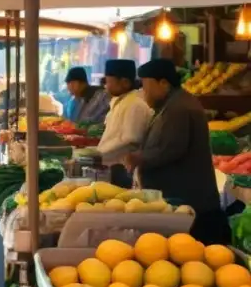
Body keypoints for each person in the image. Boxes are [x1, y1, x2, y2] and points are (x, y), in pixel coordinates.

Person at [125, 58, 230, 245]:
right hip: (181, 203)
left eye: (146, 86)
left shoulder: (180, 108)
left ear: (163, 83)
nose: (143, 92)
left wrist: (138, 158)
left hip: (190, 205)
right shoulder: (172, 104)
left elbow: (171, 149)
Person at [96, 59, 153, 188]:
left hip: (124, 171)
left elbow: (130, 140)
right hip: (110, 167)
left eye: (109, 82)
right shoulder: (121, 101)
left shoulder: (135, 104)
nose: (106, 86)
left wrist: (98, 153)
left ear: (125, 83)